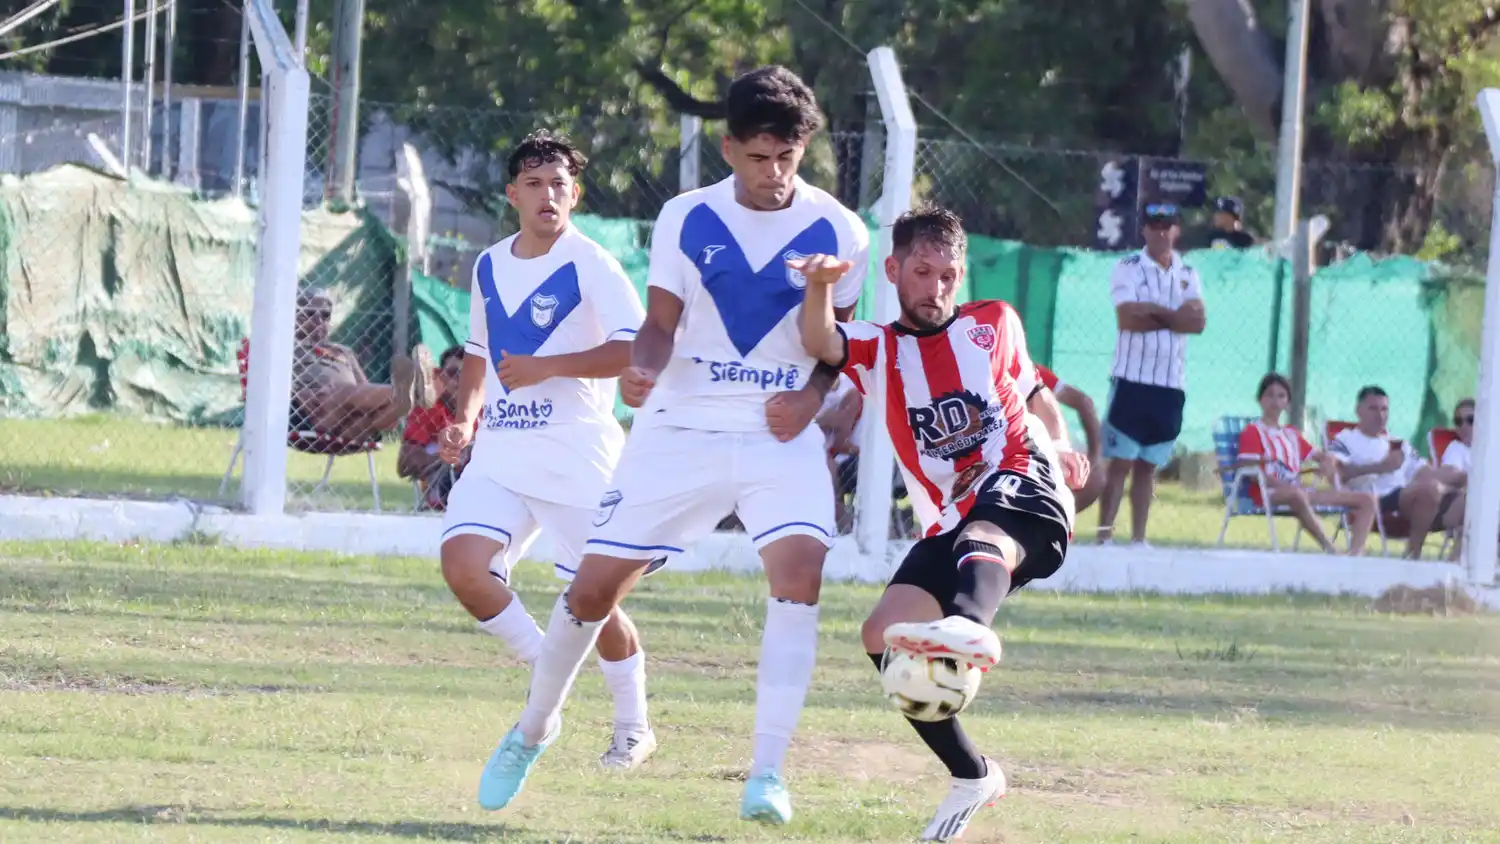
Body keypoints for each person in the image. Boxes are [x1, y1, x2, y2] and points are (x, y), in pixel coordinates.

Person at [475, 66, 866, 824]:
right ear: (728, 148)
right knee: (591, 590)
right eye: (759, 158)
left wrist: (811, 399)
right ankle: (534, 729)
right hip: (679, 427)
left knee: (800, 575)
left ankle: (767, 773)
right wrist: (644, 370)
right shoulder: (686, 217)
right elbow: (656, 323)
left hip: (774, 435)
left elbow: (833, 349)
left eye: (788, 158)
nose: (774, 174)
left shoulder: (841, 230)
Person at [798, 206, 1088, 842]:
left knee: (986, 537)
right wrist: (820, 286)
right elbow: (821, 342)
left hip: (1023, 482)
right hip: (950, 517)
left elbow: (1034, 387)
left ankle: (967, 628)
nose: (935, 288)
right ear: (895, 270)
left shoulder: (993, 322)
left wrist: (1062, 443)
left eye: (948, 275)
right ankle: (972, 773)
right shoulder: (880, 345)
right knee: (881, 634)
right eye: (922, 272)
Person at [434, 131, 659, 776]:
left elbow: (635, 347)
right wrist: (465, 421)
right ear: (512, 194)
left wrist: (548, 365)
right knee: (463, 565)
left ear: (574, 194)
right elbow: (480, 351)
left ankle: (633, 728)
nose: (548, 195)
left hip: (576, 455)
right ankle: (546, 681)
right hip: (502, 453)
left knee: (596, 600)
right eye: (534, 183)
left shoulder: (591, 263)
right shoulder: (488, 264)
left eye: (559, 184)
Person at [1096, 203, 1206, 547]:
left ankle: (1139, 539)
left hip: (1170, 384)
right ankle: (1103, 536)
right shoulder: (1128, 267)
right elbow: (1127, 318)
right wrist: (1175, 317)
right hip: (1132, 379)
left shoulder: (1188, 273)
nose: (1161, 232)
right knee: (1120, 463)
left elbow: (1198, 323)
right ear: (1144, 229)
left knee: (1148, 465)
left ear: (1176, 230)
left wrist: (1155, 314)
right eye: (1154, 225)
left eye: (1167, 226)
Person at [1234, 373, 1377, 555]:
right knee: (1297, 494)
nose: (1275, 401)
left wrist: (1329, 460)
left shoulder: (1291, 434)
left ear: (1287, 402)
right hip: (1267, 493)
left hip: (1299, 492)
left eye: (1281, 396)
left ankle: (1355, 554)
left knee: (1367, 500)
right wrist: (1282, 484)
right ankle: (1331, 548)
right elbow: (1249, 470)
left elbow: (1320, 455)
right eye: (1270, 395)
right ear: (1260, 400)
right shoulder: (1252, 432)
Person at [1327, 385, 1465, 559]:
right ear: (1358, 411)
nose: (1380, 415)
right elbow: (1337, 473)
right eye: (1373, 408)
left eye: (1384, 409)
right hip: (1373, 501)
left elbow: (1425, 473)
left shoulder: (1398, 444)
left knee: (1467, 499)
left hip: (1406, 499)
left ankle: (1455, 563)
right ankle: (1413, 555)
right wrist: (1379, 467)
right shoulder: (1345, 438)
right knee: (1429, 489)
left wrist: (1462, 477)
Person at [286, 289, 436, 440]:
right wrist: (298, 395)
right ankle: (411, 392)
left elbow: (363, 387)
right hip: (315, 411)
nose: (319, 321)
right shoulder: (287, 347)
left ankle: (403, 400)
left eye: (325, 316)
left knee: (374, 411)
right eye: (310, 314)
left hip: (349, 426)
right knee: (343, 392)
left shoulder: (344, 352)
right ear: (294, 316)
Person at [399, 345, 468, 510]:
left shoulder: (487, 410)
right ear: (441, 376)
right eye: (453, 374)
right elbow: (404, 465)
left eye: (467, 375)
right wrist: (445, 457)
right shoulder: (427, 412)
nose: (460, 380)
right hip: (445, 485)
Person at [1035, 363, 1104, 512]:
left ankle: (1055, 527)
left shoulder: (1026, 370)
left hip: (1037, 460)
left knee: (1090, 479)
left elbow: (1083, 402)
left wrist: (1095, 459)